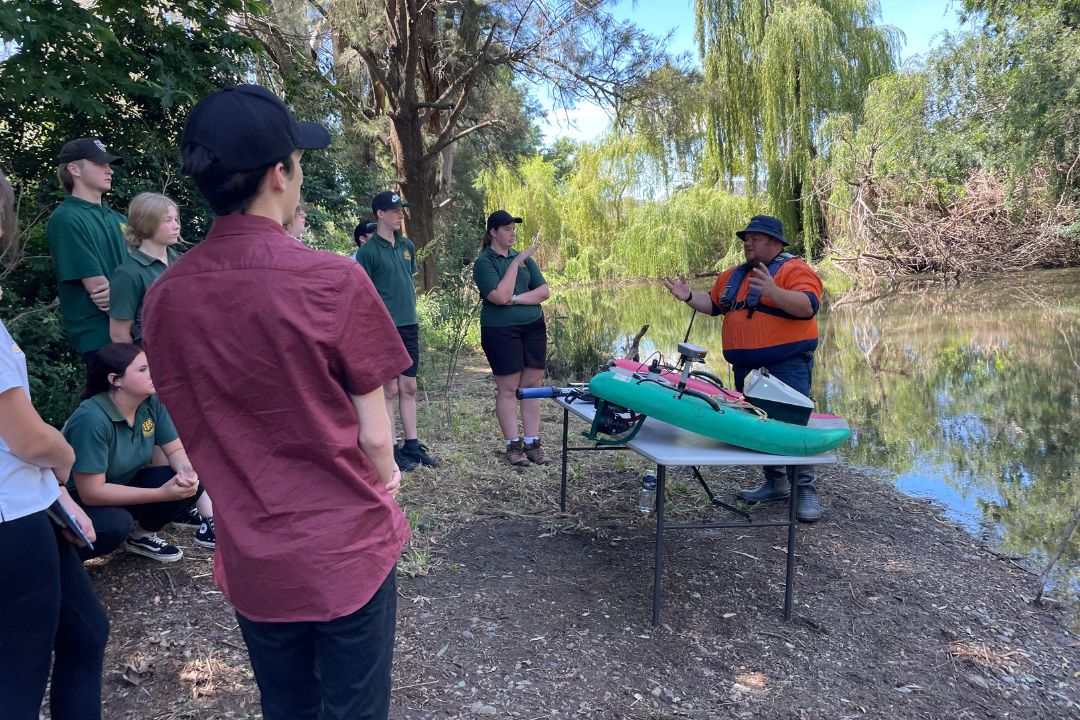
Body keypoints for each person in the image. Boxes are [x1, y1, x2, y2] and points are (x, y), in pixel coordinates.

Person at [141, 84, 411, 720]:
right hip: (345, 548)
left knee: (285, 705)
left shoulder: (167, 298)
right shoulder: (332, 278)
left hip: (254, 553)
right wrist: (388, 479)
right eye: (297, 159)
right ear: (279, 173)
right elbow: (376, 437)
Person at [0, 167, 110, 720]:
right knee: (17, 677)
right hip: (10, 519)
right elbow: (25, 437)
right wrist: (64, 459)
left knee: (86, 633)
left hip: (28, 504)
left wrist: (56, 494)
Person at [663, 215, 825, 522]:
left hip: (786, 365)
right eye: (746, 238)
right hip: (747, 369)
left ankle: (804, 489)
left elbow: (807, 306)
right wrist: (686, 296)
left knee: (791, 426)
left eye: (756, 237)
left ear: (775, 243)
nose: (747, 242)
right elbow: (712, 305)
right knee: (759, 426)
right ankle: (775, 482)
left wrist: (773, 292)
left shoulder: (795, 269)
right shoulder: (732, 276)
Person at [62, 343, 214, 561]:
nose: (153, 374)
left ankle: (142, 536)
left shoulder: (151, 403)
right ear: (116, 380)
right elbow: (91, 493)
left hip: (122, 484)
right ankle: (65, 561)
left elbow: (175, 450)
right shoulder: (91, 419)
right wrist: (161, 494)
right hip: (77, 501)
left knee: (193, 475)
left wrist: (186, 470)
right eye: (143, 370)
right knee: (116, 524)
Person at [357, 191, 439, 470]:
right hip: (383, 328)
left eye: (401, 210)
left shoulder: (407, 245)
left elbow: (406, 279)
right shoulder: (367, 252)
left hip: (409, 324)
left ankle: (412, 446)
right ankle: (391, 450)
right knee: (388, 389)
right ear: (380, 214)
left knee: (409, 386)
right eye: (394, 211)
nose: (400, 214)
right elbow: (361, 294)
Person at [473, 210, 551, 466]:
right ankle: (512, 445)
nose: (512, 233)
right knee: (508, 388)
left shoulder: (525, 259)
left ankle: (532, 442)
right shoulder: (486, 262)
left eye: (514, 229)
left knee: (532, 386)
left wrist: (517, 299)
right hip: (501, 330)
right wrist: (515, 265)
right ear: (493, 232)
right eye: (507, 229)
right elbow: (499, 297)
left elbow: (543, 292)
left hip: (533, 327)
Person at [45, 137, 129, 371]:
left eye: (109, 164)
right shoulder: (67, 218)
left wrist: (129, 294)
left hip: (135, 332)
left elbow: (149, 271)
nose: (109, 170)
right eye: (100, 163)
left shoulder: (120, 219)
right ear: (74, 169)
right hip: (101, 339)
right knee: (110, 408)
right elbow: (99, 290)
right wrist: (134, 296)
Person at [110, 192, 182, 345]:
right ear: (146, 223)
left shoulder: (184, 262)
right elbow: (119, 335)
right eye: (167, 220)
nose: (176, 226)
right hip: (153, 361)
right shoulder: (128, 273)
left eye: (176, 219)